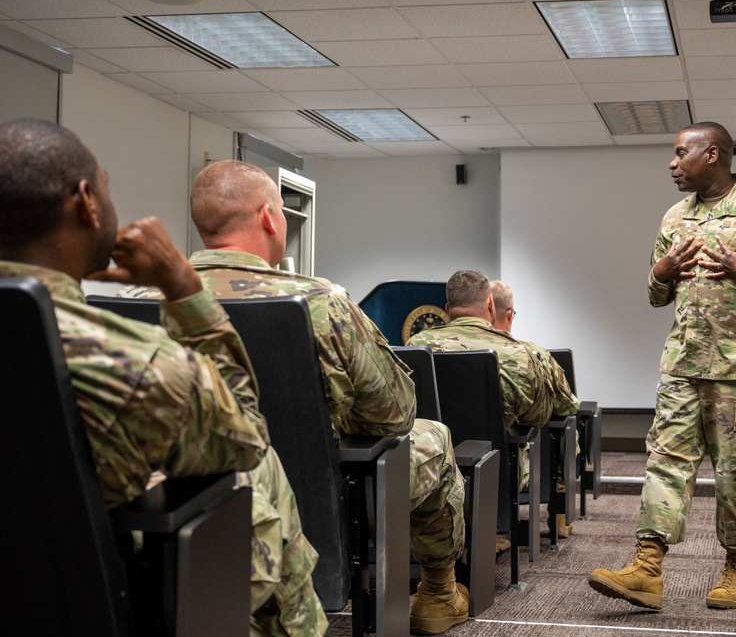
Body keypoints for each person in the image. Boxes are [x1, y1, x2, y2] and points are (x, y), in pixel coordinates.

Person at [0, 119, 327, 636]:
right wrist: (182, 290)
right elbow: (245, 435)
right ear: (86, 201)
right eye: (106, 187)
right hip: (103, 598)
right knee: (258, 475)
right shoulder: (131, 363)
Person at [121, 159, 468, 636]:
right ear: (268, 217)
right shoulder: (320, 300)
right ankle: (437, 594)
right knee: (435, 436)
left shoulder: (138, 300)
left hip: (175, 494)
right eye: (283, 211)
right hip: (318, 491)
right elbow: (395, 414)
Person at [588, 121, 736, 611]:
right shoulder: (675, 216)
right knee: (666, 461)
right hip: (682, 364)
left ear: (712, 154)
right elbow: (656, 295)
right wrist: (660, 272)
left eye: (680, 154)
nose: (672, 164)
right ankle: (647, 568)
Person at [407, 270, 554, 551]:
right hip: (497, 473)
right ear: (490, 304)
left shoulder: (417, 346)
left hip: (431, 469)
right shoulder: (515, 352)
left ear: (448, 309)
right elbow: (539, 417)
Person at [490, 279, 579, 538]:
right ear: (509, 314)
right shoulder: (533, 355)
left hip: (453, 462)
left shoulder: (424, 346)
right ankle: (560, 515)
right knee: (565, 428)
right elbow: (567, 405)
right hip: (515, 463)